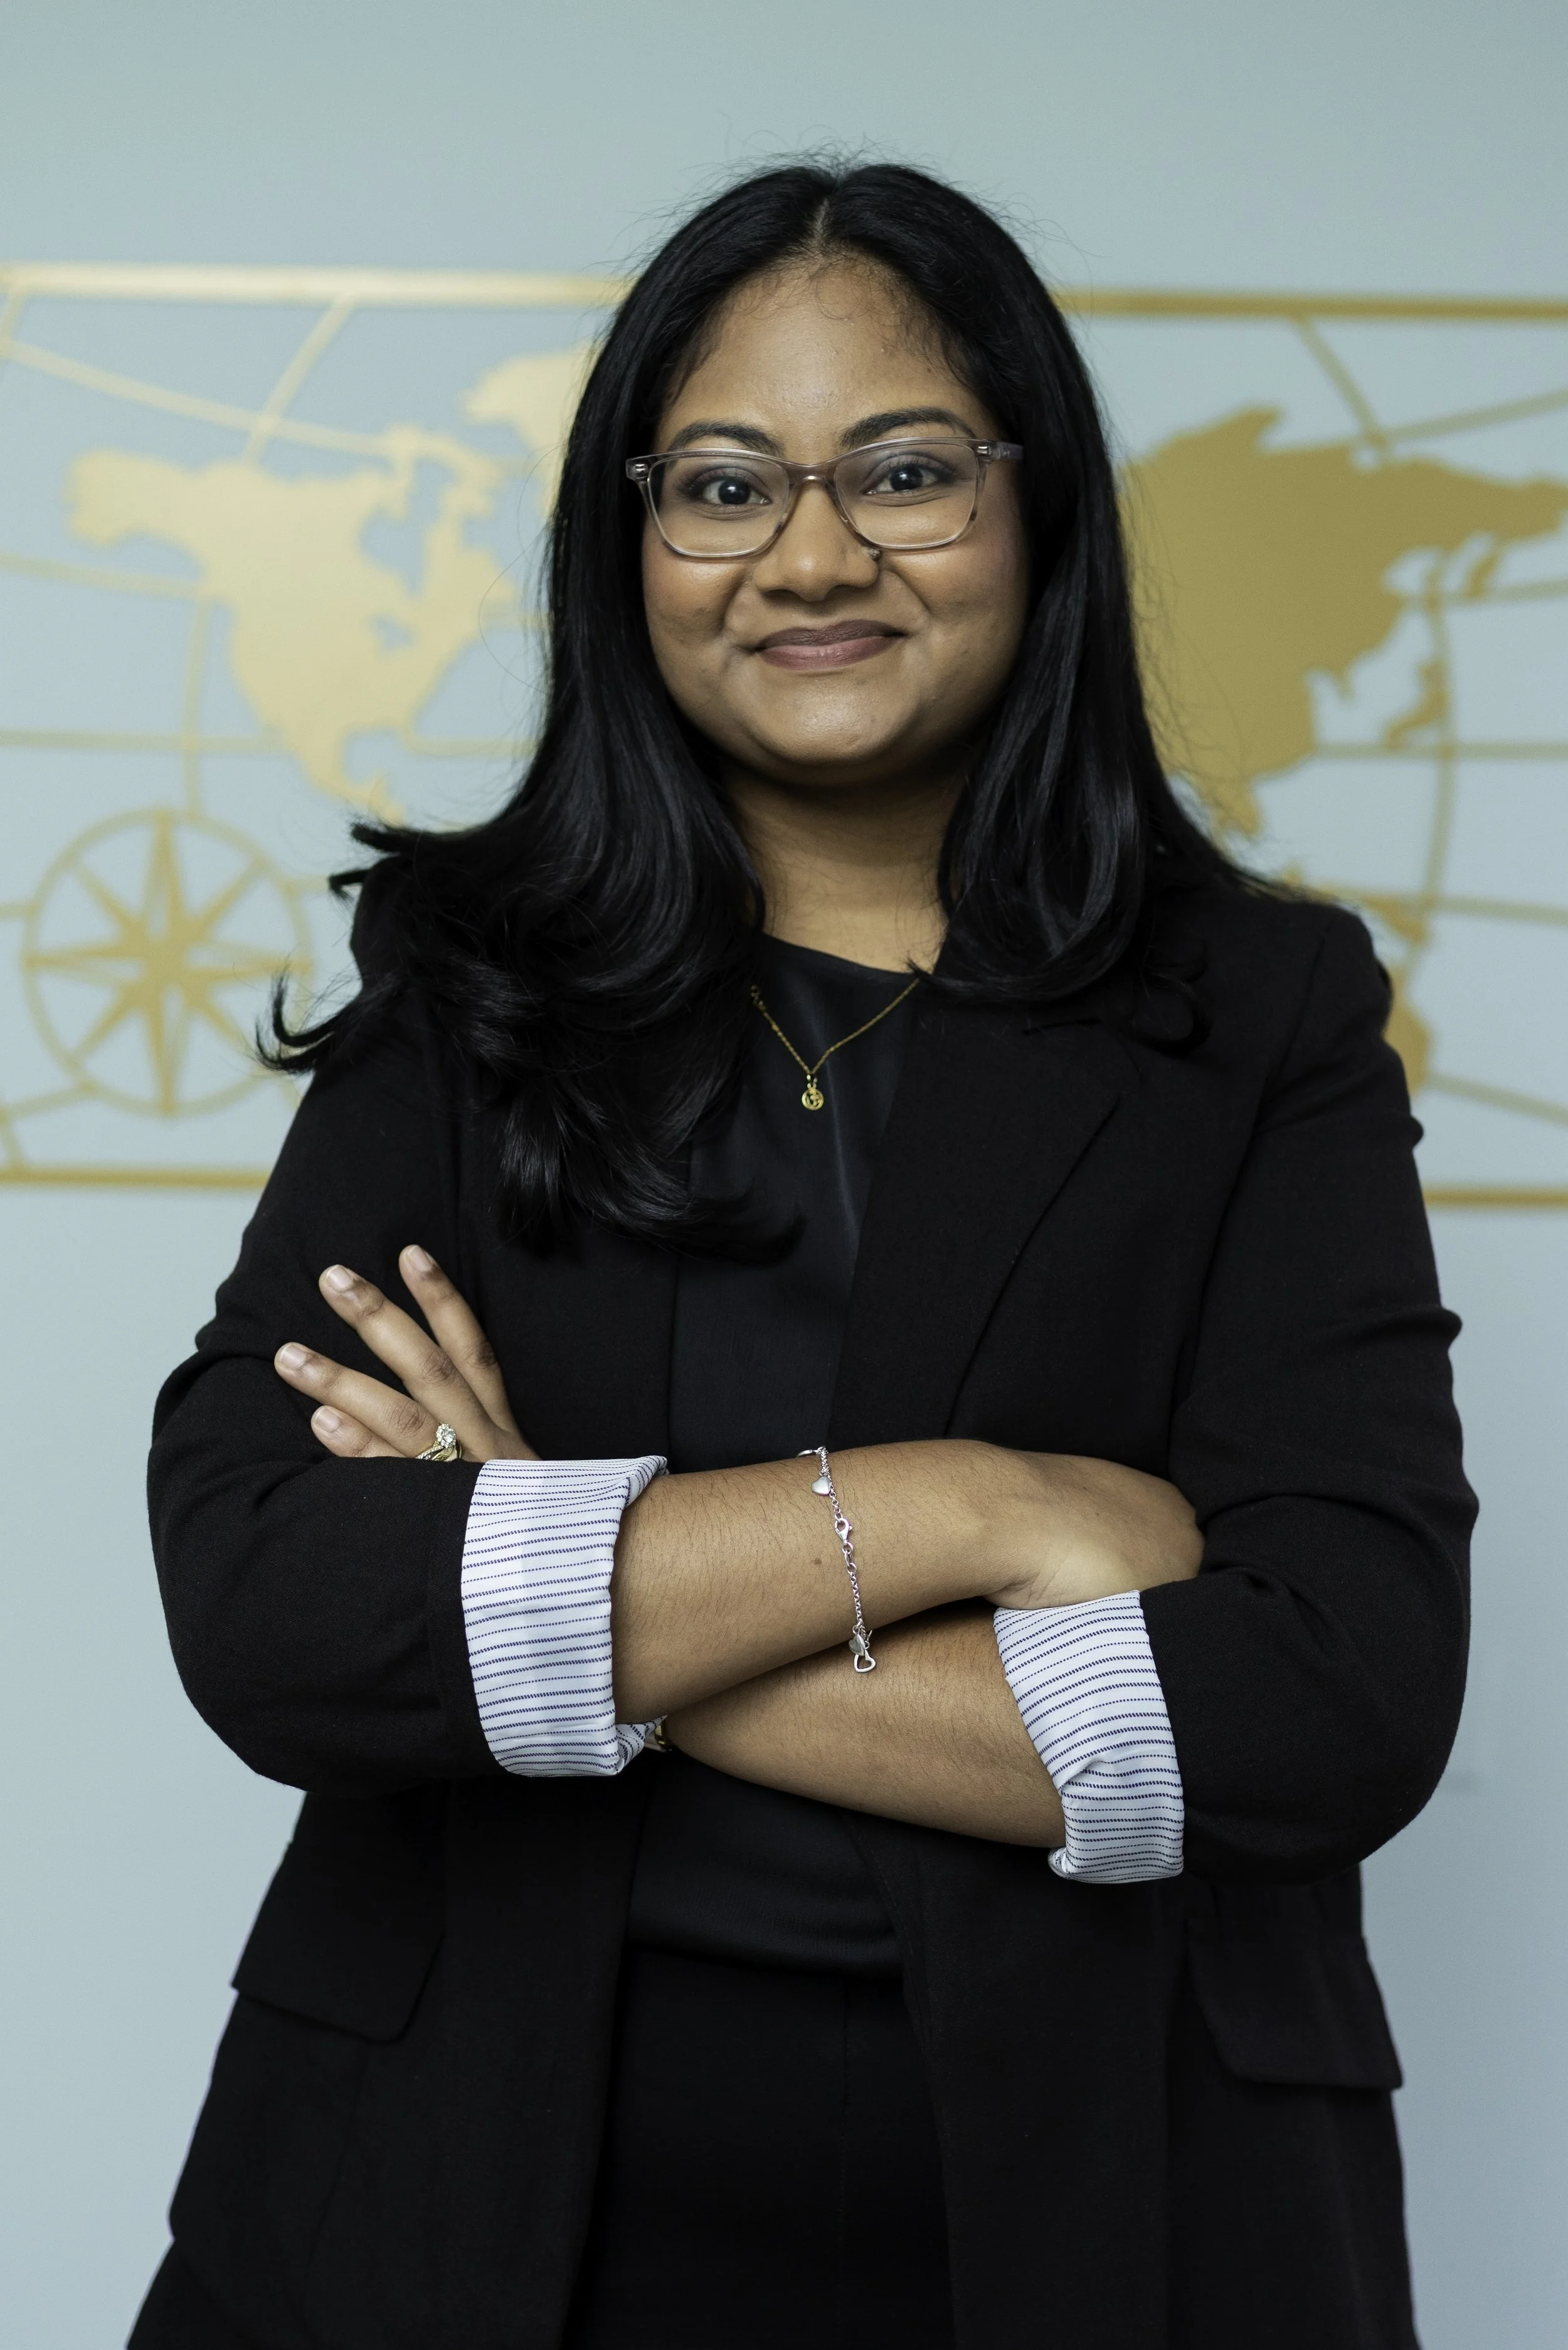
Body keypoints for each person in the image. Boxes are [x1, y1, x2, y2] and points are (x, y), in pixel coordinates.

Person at [130, 161, 1473, 2350]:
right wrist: (984, 1512)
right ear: (629, 540)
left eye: (908, 472)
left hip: (1119, 2206)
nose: (814, 554)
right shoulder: (462, 985)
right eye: (725, 482)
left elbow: (1327, 1701)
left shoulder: (1262, 1021)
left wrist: (551, 1587)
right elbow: (274, 1606)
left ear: (1033, 508)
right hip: (449, 2200)